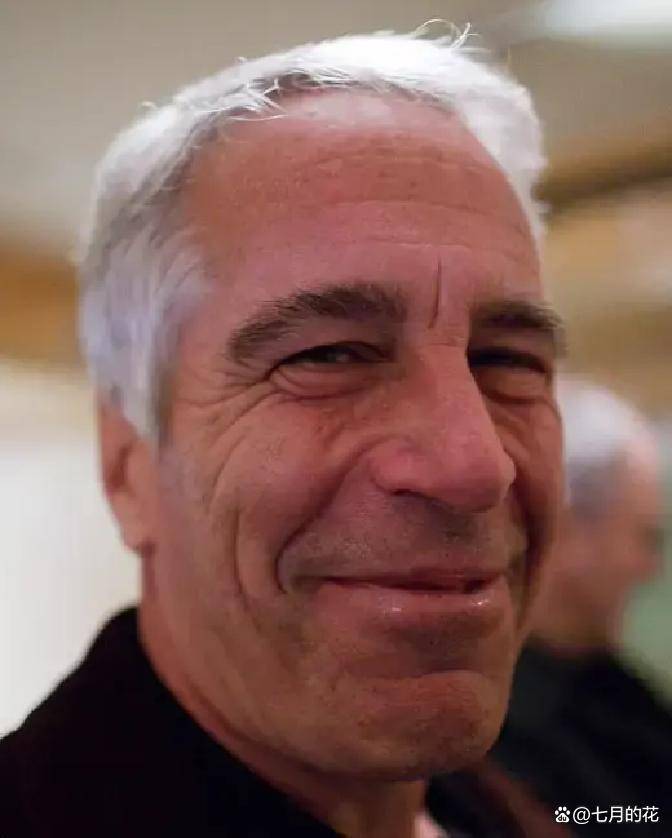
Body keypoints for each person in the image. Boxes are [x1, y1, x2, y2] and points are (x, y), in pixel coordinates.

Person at [1, 30, 567, 837]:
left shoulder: (499, 805)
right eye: (329, 356)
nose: (475, 464)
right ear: (129, 468)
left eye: (506, 360)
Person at [494, 377, 672, 835]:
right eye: (644, 539)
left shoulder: (612, 687)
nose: (649, 569)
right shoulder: (497, 727)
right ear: (567, 531)